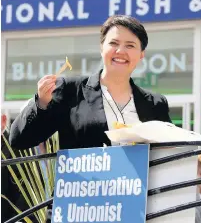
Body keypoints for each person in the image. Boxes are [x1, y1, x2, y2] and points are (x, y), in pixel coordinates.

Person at [10, 15, 171, 151]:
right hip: (83, 187)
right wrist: (42, 103)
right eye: (113, 43)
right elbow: (19, 141)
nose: (121, 51)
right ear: (101, 48)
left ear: (141, 54)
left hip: (138, 188)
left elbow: (167, 152)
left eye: (130, 45)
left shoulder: (155, 104)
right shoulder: (70, 90)